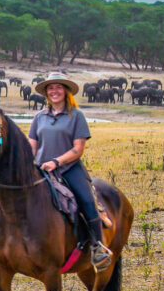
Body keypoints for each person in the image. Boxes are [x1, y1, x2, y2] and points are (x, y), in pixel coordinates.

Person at [29, 72, 111, 271]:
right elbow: (31, 145)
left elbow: (78, 148)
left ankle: (97, 247)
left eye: (58, 87)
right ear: (46, 93)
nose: (54, 91)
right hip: (41, 169)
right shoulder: (39, 117)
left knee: (86, 201)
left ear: (65, 91)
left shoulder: (76, 115)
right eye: (50, 88)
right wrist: (26, 163)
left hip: (69, 169)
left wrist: (56, 162)